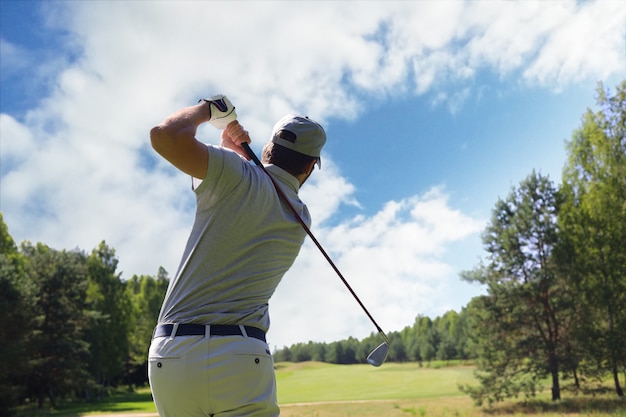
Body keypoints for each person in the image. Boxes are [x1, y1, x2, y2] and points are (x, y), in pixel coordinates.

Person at [147, 95, 326, 417]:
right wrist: (232, 152)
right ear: (311, 166)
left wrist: (209, 108)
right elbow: (246, 192)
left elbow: (166, 136)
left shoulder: (234, 173)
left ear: (268, 148)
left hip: (173, 354)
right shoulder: (300, 216)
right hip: (242, 355)